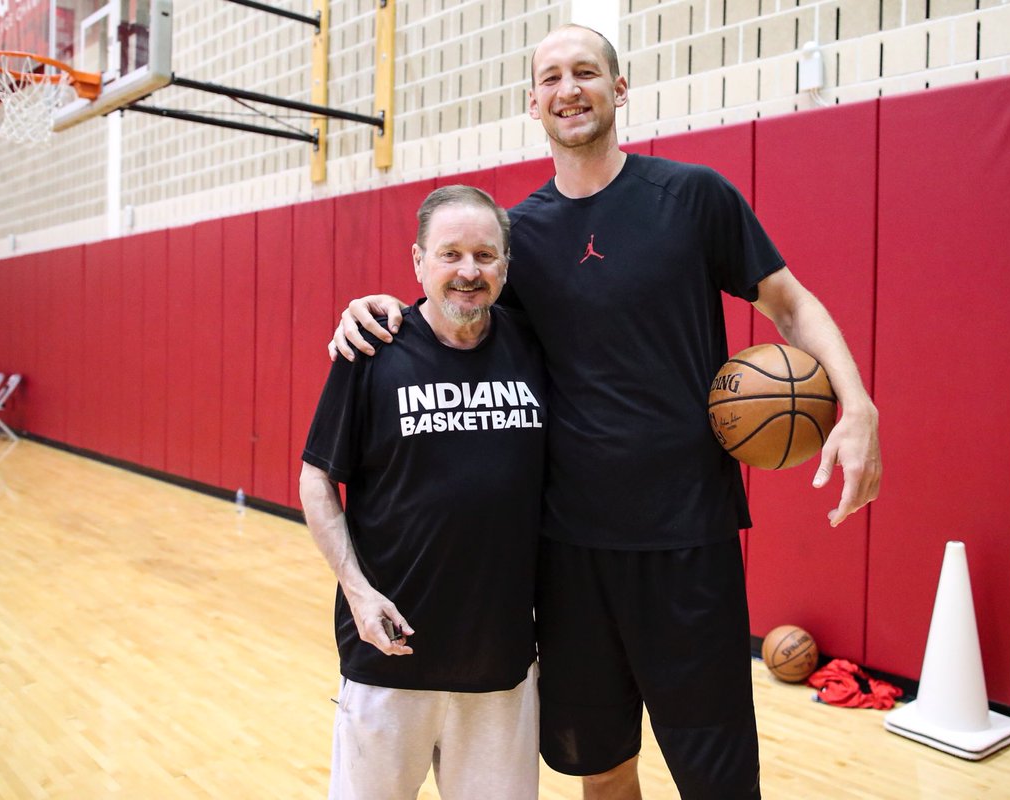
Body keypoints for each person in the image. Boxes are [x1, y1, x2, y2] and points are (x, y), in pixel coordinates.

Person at [328, 25, 881, 800]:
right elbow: (454, 310)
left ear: (619, 89)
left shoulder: (693, 196)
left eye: (586, 72)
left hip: (690, 541)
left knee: (720, 782)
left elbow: (788, 302)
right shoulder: (519, 240)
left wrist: (855, 404)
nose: (569, 88)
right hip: (568, 554)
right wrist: (377, 305)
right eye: (551, 77)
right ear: (533, 103)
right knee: (602, 769)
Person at [299, 185, 547, 800]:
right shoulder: (373, 348)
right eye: (450, 254)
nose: (468, 271)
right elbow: (316, 477)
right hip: (391, 656)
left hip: (501, 665)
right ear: (417, 262)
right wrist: (357, 595)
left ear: (506, 266)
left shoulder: (537, 347)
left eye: (486, 256)